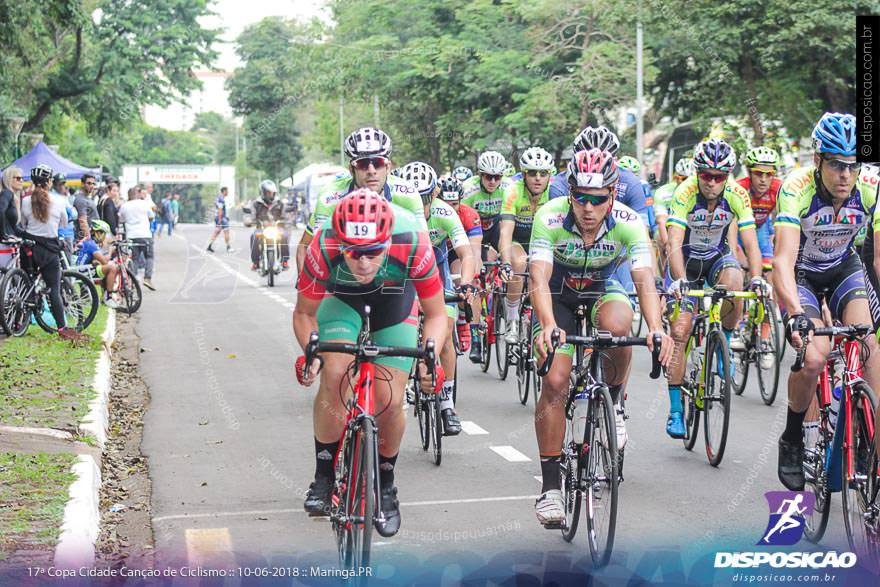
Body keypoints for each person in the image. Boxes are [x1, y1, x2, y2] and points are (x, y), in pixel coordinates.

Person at [529, 149, 672, 525]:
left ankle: (613, 400)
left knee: (621, 326)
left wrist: (657, 329)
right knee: (556, 382)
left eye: (598, 199)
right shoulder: (550, 216)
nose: (588, 207)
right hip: (557, 297)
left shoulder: (628, 223)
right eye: (580, 196)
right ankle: (550, 490)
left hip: (601, 288)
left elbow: (644, 280)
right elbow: (539, 278)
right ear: (570, 193)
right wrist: (546, 324)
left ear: (613, 195)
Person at [294, 189, 447, 538]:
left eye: (373, 252)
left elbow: (437, 314)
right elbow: (304, 313)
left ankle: (387, 483)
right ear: (340, 242)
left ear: (388, 240)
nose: (363, 263)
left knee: (390, 401)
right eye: (354, 252)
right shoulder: (324, 242)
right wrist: (311, 353)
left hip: (394, 304)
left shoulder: (412, 240)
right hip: (341, 301)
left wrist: (430, 356)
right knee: (334, 374)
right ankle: (324, 475)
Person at [773, 112, 880, 490]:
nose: (845, 175)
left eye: (853, 166)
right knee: (815, 357)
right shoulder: (796, 187)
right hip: (801, 271)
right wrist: (796, 314)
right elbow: (783, 259)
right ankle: (792, 438)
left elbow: (878, 258)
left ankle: (870, 444)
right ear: (818, 160)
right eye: (836, 164)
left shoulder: (871, 187)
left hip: (843, 267)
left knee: (869, 344)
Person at [664, 138, 765, 438]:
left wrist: (757, 277)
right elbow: (673, 241)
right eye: (706, 175)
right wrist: (680, 280)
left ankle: (725, 345)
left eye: (719, 177)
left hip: (717, 258)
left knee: (736, 283)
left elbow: (751, 241)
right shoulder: (685, 193)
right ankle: (675, 411)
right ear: (697, 173)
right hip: (686, 261)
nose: (711, 182)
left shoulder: (737, 194)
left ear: (728, 176)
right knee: (680, 332)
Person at [400, 161, 477, 435]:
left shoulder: (445, 212)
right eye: (413, 197)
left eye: (424, 197)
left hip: (437, 269)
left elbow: (467, 253)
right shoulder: (396, 212)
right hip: (405, 270)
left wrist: (466, 283)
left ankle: (446, 405)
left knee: (444, 338)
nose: (419, 204)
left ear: (434, 194)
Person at [295, 127, 424, 273]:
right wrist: (306, 283)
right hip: (346, 273)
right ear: (351, 170)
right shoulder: (330, 197)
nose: (371, 170)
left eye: (378, 163)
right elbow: (317, 251)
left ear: (388, 167)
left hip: (392, 273)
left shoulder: (408, 195)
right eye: (363, 164)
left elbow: (424, 248)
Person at [18, 164, 84, 341]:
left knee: (26, 282)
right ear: (49, 182)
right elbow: (63, 224)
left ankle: (19, 321)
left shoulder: (25, 201)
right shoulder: (60, 201)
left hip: (30, 248)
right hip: (49, 250)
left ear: (32, 181)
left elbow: (23, 224)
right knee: (54, 289)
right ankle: (62, 328)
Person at [498, 147, 554, 345]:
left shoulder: (555, 192)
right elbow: (505, 231)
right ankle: (512, 320)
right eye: (532, 173)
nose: (538, 178)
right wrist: (506, 263)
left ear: (550, 175)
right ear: (523, 174)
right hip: (517, 239)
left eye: (543, 173)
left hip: (543, 241)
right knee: (518, 262)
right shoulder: (512, 191)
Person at [437, 175, 484, 362]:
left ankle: (474, 334)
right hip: (438, 253)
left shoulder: (470, 215)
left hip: (458, 253)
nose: (450, 209)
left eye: (454, 204)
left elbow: (474, 252)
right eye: (446, 203)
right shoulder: (431, 213)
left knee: (467, 278)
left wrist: (474, 278)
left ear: (461, 201)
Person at [736, 146, 783, 280]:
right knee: (740, 270)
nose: (763, 179)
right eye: (758, 173)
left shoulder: (779, 189)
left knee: (770, 271)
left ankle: (771, 301)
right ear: (749, 172)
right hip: (738, 229)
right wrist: (739, 253)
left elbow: (784, 221)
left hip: (761, 227)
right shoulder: (739, 188)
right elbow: (729, 226)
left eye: (768, 174)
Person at [461, 150, 512, 257]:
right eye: (488, 176)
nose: (492, 181)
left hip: (496, 226)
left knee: (509, 252)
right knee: (476, 258)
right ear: (480, 174)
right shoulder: (468, 188)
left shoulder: (509, 187)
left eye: (497, 177)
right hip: (475, 226)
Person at [653, 157, 694, 271]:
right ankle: (664, 276)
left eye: (689, 180)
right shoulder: (663, 192)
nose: (686, 183)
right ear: (676, 178)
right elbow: (661, 221)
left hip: (691, 227)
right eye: (683, 179)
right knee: (660, 239)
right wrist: (667, 245)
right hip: (668, 228)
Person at [74, 219, 118, 308]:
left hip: (78, 268)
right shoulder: (92, 244)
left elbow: (93, 259)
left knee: (102, 267)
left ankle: (105, 294)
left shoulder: (87, 241)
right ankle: (108, 297)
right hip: (82, 272)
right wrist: (110, 251)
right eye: (104, 234)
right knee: (112, 268)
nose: (104, 237)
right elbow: (105, 261)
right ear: (98, 233)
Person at [119, 186, 157, 291]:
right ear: (137, 194)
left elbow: (121, 219)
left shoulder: (124, 206)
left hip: (131, 236)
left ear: (128, 195)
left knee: (134, 258)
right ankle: (147, 278)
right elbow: (151, 216)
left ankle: (134, 279)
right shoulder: (144, 203)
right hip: (145, 235)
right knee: (149, 257)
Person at [250, 180, 289, 271]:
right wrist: (249, 220)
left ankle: (284, 261)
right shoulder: (256, 203)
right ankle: (255, 262)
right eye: (268, 192)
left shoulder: (280, 203)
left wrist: (286, 220)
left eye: (272, 192)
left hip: (276, 228)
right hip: (261, 229)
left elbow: (285, 216)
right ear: (263, 192)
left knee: (285, 235)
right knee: (254, 236)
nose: (270, 194)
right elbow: (251, 216)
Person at [206, 187, 234, 253]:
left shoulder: (218, 198)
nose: (228, 192)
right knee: (226, 231)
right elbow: (220, 209)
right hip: (221, 218)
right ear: (224, 191)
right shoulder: (221, 199)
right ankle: (228, 247)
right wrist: (220, 219)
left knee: (216, 232)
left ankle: (209, 246)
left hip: (219, 217)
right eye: (227, 191)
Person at [73, 173, 99, 242]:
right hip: (85, 240)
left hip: (94, 238)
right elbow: (82, 221)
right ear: (82, 184)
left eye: (93, 184)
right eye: (89, 183)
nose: (92, 186)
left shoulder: (88, 198)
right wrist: (88, 239)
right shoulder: (81, 200)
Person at [0, 167, 24, 241]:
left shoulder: (14, 197)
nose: (21, 181)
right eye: (18, 178)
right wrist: (3, 234)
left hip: (12, 244)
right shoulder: (7, 193)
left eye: (22, 178)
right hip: (5, 246)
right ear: (9, 179)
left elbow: (14, 227)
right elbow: (0, 210)